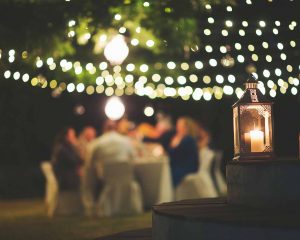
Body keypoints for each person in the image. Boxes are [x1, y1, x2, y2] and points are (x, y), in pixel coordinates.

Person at [168, 117, 199, 187]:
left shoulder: (188, 139)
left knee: (169, 173)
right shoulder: (183, 138)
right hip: (183, 165)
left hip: (188, 167)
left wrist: (173, 145)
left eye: (179, 125)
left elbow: (174, 155)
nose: (177, 127)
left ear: (186, 127)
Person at [77, 126, 97, 216]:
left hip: (92, 168)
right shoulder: (80, 144)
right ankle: (89, 207)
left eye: (93, 134)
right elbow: (81, 158)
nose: (92, 136)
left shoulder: (94, 143)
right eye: (90, 134)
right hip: (83, 169)